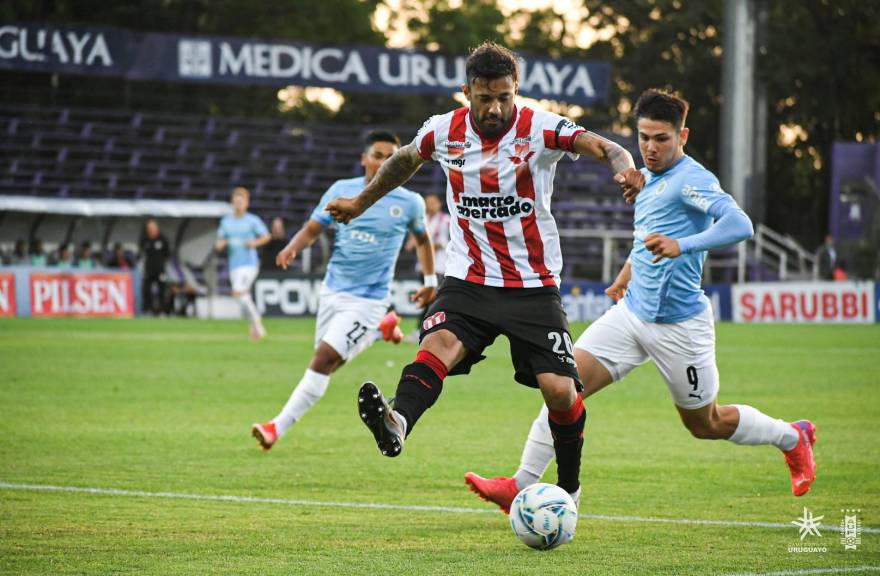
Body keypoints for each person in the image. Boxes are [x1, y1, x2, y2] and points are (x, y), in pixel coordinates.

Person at [463, 89, 817, 514]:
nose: (650, 147)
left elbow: (740, 225)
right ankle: (519, 484)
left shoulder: (694, 180)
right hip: (631, 314)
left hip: (680, 326)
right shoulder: (644, 179)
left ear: (682, 135)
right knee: (563, 388)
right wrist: (625, 277)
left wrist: (682, 245)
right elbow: (647, 234)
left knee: (705, 423)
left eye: (661, 138)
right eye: (644, 137)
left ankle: (792, 437)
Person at [325, 42, 644, 505]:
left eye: (504, 97)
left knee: (559, 391)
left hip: (532, 285)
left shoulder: (539, 126)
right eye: (484, 98)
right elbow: (402, 161)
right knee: (437, 345)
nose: (495, 108)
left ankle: (569, 490)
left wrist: (626, 169)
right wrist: (359, 203)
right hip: (468, 279)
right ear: (466, 93)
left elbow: (604, 146)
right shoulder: (444, 131)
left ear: (516, 91)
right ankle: (398, 422)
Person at [251, 130, 435, 450]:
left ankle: (275, 427)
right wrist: (292, 247)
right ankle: (380, 331)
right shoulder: (342, 190)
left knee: (323, 359)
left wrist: (430, 282)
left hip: (369, 299)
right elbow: (314, 227)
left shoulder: (408, 202)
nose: (383, 161)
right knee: (332, 362)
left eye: (390, 156)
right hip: (332, 291)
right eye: (377, 155)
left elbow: (422, 240)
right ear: (364, 158)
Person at [215, 187, 271, 340]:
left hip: (249, 264)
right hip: (234, 265)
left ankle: (258, 327)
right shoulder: (226, 222)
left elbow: (266, 236)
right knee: (241, 296)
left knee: (239, 292)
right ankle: (254, 326)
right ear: (232, 203)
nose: (238, 204)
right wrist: (220, 244)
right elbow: (220, 240)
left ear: (246, 203)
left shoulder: (252, 220)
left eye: (241, 201)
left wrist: (254, 243)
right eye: (235, 201)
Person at [404, 192, 450, 341]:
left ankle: (425, 330)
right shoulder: (423, 219)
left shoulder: (446, 220)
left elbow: (448, 242)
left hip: (439, 266)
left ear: (439, 203)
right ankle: (424, 329)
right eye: (427, 202)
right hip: (422, 267)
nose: (429, 205)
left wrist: (430, 246)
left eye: (432, 202)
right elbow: (416, 239)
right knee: (426, 298)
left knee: (432, 299)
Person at [141, 219, 171, 315]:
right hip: (148, 270)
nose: (151, 229)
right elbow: (141, 251)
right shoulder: (145, 239)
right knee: (146, 291)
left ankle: (162, 311)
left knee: (162, 291)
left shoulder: (163, 239)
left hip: (160, 270)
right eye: (150, 228)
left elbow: (167, 253)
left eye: (153, 227)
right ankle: (147, 310)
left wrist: (160, 263)